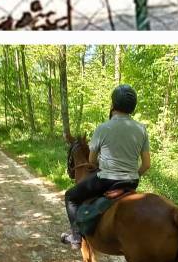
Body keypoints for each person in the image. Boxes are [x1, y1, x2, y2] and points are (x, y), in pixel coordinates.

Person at [60, 84, 150, 249]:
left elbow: (92, 162)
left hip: (106, 181)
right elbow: (146, 165)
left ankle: (75, 237)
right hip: (131, 183)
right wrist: (131, 175)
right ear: (132, 107)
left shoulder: (102, 128)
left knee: (70, 197)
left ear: (113, 104)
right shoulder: (141, 129)